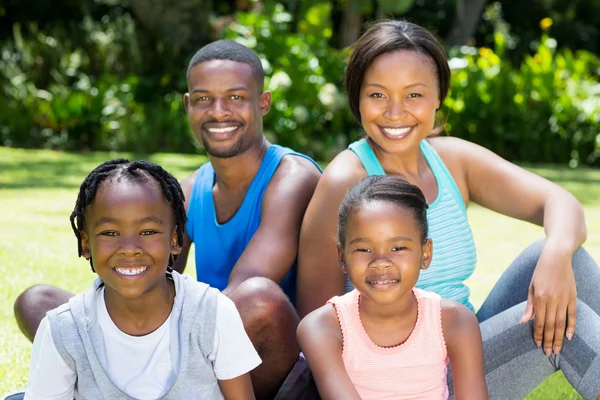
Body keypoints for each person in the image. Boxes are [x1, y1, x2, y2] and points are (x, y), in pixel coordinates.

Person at [297, 20, 600, 399]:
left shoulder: (452, 159)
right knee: (574, 325)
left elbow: (560, 202)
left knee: (565, 258)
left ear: (438, 96)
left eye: (413, 95)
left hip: (465, 348)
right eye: (377, 95)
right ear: (357, 96)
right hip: (414, 377)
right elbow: (318, 325)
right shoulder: (346, 181)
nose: (395, 112)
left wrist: (556, 256)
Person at [15, 40, 321, 400]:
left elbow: (242, 293)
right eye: (204, 99)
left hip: (260, 355)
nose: (219, 111)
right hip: (194, 344)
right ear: (189, 106)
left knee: (258, 298)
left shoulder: (291, 175)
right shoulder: (191, 188)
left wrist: (166, 337)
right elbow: (149, 276)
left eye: (236, 97)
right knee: (38, 302)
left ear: (263, 103)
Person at [24, 159, 261, 399]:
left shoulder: (213, 314)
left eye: (147, 232)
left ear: (175, 240)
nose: (129, 249)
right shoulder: (62, 331)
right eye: (110, 233)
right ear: (86, 243)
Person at [298, 176, 488, 399]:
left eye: (398, 247)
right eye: (364, 250)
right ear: (342, 257)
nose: (381, 261)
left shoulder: (455, 321)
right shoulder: (322, 327)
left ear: (425, 254)